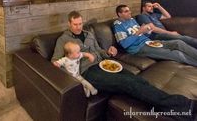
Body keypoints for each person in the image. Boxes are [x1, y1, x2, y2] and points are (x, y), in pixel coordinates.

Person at [51, 11, 196, 120]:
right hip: (88, 72)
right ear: (69, 24)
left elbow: (99, 51)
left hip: (104, 64)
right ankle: (185, 106)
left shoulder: (88, 34)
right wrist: (69, 66)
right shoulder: (63, 39)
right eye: (75, 24)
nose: (78, 27)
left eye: (80, 23)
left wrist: (109, 51)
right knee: (127, 83)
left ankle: (175, 111)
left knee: (136, 79)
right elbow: (55, 61)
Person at [113, 4, 197, 67]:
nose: (130, 12)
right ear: (119, 14)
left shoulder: (132, 20)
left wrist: (146, 31)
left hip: (149, 42)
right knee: (177, 54)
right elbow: (124, 44)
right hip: (138, 49)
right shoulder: (118, 25)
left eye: (129, 10)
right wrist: (139, 32)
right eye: (126, 11)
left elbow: (141, 33)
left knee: (178, 43)